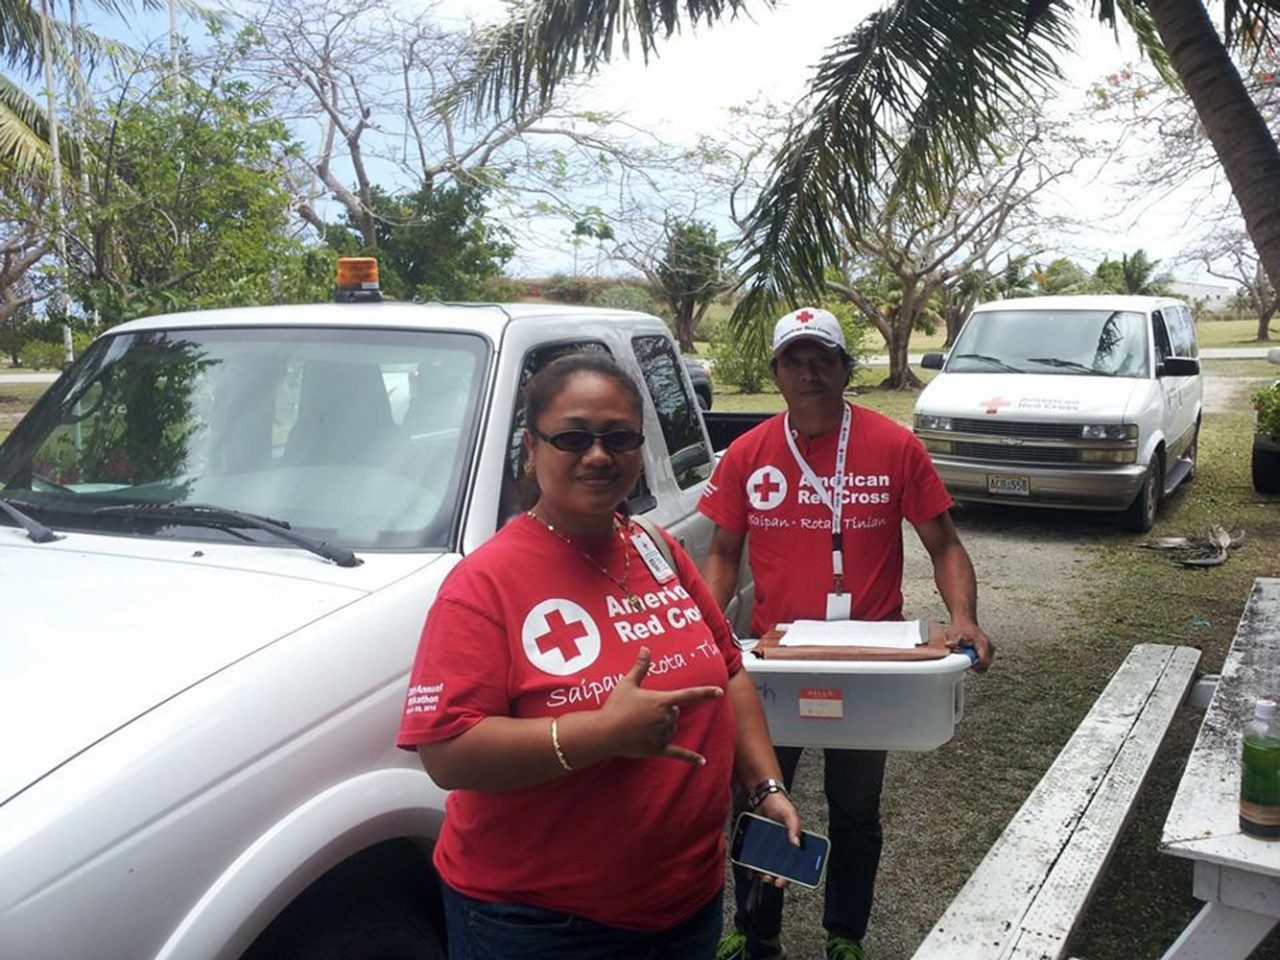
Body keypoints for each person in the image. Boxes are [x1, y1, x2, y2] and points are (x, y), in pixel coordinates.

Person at [397, 352, 801, 960]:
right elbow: (447, 752)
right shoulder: (484, 584)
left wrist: (765, 786)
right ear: (531, 450)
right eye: (573, 437)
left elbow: (728, 669)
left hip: (686, 901)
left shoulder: (655, 546)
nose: (598, 455)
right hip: (543, 924)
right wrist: (600, 734)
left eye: (618, 437)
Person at [699, 308, 994, 960]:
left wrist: (964, 617)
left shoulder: (893, 446)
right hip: (775, 666)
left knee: (856, 808)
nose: (809, 373)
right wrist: (706, 624)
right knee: (758, 798)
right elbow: (722, 552)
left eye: (823, 358)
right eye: (795, 360)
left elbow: (943, 543)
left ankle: (845, 936)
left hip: (871, 665)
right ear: (775, 372)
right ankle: (758, 934)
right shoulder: (749, 454)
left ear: (843, 367)